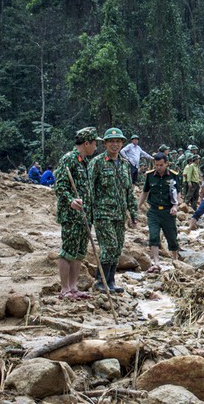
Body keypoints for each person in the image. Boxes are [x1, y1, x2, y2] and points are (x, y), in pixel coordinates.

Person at [53, 127, 101, 300]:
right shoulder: (69, 159)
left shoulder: (85, 161)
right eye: (95, 143)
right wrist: (70, 200)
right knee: (68, 250)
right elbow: (60, 186)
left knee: (80, 251)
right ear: (86, 143)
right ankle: (64, 288)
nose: (96, 146)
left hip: (84, 215)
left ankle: (73, 287)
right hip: (71, 215)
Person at [89, 128, 139, 293]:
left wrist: (133, 214)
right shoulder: (97, 162)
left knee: (117, 248)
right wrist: (89, 212)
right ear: (105, 144)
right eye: (111, 141)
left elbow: (129, 192)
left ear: (122, 143)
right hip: (103, 214)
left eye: (118, 141)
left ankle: (110, 281)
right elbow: (89, 189)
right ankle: (100, 281)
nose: (115, 144)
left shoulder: (125, 164)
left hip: (120, 215)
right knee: (109, 246)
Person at [138, 152, 181, 272]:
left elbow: (177, 192)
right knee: (154, 235)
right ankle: (156, 262)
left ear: (166, 164)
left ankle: (175, 260)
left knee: (172, 236)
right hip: (154, 211)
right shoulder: (150, 176)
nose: (158, 167)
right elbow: (145, 192)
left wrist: (175, 206)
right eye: (156, 165)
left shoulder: (173, 175)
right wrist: (137, 207)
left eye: (161, 165)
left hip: (168, 211)